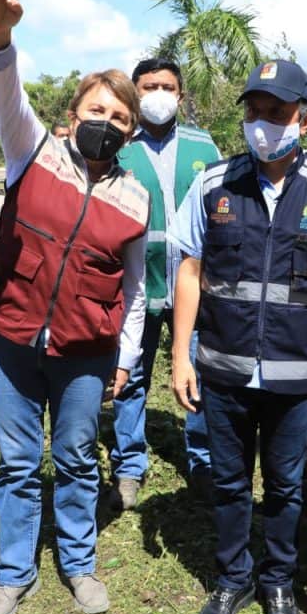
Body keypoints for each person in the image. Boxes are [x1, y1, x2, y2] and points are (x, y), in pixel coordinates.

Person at [0, 0, 149, 614]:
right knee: (19, 462)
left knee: (75, 459)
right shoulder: (30, 152)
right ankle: (14, 574)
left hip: (86, 354)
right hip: (10, 343)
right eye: (96, 110)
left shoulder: (135, 198)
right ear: (72, 115)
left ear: (131, 131)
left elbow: (133, 293)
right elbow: (4, 90)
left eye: (119, 116)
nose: (107, 121)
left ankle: (78, 566)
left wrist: (125, 360)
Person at [170, 58, 307, 614]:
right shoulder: (214, 184)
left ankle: (278, 581)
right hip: (224, 371)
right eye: (255, 111)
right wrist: (182, 356)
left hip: (298, 376)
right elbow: (190, 269)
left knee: (285, 486)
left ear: (303, 121)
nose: (262, 123)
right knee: (231, 484)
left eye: (276, 112)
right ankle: (232, 578)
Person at [110, 57, 221, 509]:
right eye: (149, 85)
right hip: (136, 283)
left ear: (181, 93)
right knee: (131, 374)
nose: (158, 94)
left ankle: (201, 461)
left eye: (167, 86)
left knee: (197, 371)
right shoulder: (118, 144)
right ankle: (129, 465)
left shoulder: (203, 145)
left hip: (194, 282)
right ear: (134, 91)